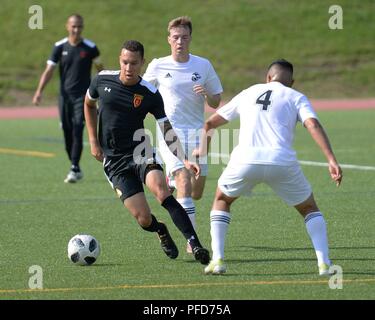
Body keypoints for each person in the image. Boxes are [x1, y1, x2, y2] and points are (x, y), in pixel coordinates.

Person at [194, 59, 343, 275]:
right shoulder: (296, 96)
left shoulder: (249, 92)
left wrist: (202, 150)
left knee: (222, 200)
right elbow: (313, 124)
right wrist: (331, 159)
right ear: (291, 82)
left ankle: (217, 260)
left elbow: (209, 123)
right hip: (281, 162)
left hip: (245, 161)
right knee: (309, 209)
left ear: (268, 77)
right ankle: (324, 263)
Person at [84, 40, 210, 264]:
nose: (129, 68)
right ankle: (161, 230)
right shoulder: (102, 80)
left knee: (162, 193)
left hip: (141, 151)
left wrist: (184, 159)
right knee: (143, 219)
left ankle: (196, 244)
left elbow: (167, 130)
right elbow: (88, 104)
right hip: (114, 161)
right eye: (125, 62)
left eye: (134, 63)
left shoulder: (150, 93)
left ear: (142, 63)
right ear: (119, 60)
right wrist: (93, 141)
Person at [143, 16, 223, 253]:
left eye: (184, 37)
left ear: (190, 39)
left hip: (199, 134)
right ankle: (193, 240)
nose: (180, 41)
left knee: (197, 192)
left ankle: (171, 181)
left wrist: (207, 92)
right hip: (170, 132)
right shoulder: (158, 65)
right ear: (169, 39)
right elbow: (142, 90)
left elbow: (217, 101)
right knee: (184, 182)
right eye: (176, 37)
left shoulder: (203, 65)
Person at [33, 14, 103, 183]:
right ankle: (74, 164)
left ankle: (74, 167)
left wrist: (103, 93)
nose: (76, 29)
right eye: (73, 26)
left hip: (83, 97)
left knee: (78, 127)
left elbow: (100, 70)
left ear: (82, 27)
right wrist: (39, 91)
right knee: (67, 132)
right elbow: (49, 70)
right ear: (67, 26)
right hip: (64, 97)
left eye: (79, 26)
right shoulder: (59, 47)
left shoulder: (90, 48)